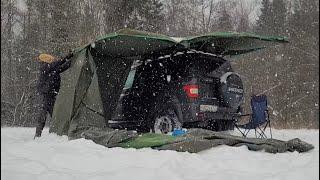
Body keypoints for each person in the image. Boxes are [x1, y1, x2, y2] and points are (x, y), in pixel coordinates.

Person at [34, 52, 73, 138]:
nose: (52, 60)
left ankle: (56, 134)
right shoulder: (44, 67)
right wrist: (68, 56)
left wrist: (72, 61)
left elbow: (62, 67)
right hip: (44, 95)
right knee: (42, 115)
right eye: (50, 60)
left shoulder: (52, 69)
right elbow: (58, 63)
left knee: (55, 115)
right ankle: (37, 135)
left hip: (51, 95)